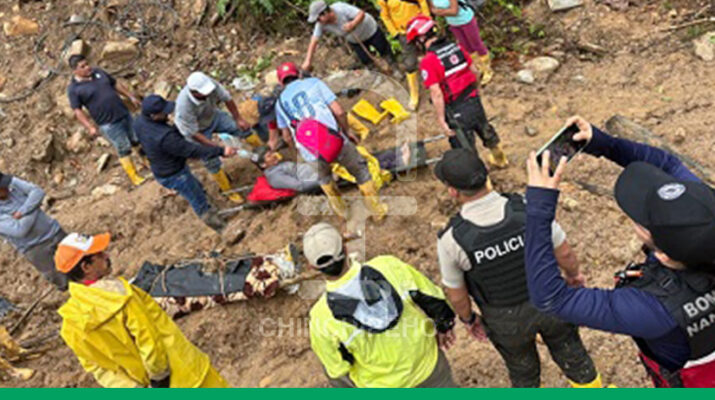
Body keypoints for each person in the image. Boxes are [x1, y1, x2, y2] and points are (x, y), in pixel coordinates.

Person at [524, 116, 715, 387]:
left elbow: (551, 297)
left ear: (663, 256)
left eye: (640, 218)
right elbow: (668, 166)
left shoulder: (654, 310)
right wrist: (605, 144)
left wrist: (538, 205)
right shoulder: (705, 215)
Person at [434, 149, 602, 387]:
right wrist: (574, 277)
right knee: (574, 357)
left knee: (523, 373)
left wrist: (469, 319)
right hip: (551, 300)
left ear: (452, 191)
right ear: (487, 173)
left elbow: (457, 294)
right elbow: (564, 252)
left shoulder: (452, 240)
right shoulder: (527, 206)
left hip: (505, 319)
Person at [55, 232, 230, 388]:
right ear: (86, 267)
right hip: (189, 375)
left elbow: (99, 369)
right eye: (99, 254)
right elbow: (149, 340)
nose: (106, 255)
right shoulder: (120, 296)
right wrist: (159, 378)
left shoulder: (70, 325)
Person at [304, 222, 458, 388]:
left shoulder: (321, 317)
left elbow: (337, 369)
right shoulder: (388, 266)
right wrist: (445, 325)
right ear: (346, 248)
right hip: (428, 370)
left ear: (312, 267)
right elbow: (433, 298)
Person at [271, 62, 388, 221]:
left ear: (280, 82)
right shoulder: (314, 83)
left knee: (325, 180)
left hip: (311, 150)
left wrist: (298, 154)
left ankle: (343, 213)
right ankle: (377, 211)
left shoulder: (279, 105)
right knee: (361, 172)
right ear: (298, 74)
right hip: (334, 140)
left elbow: (286, 137)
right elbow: (339, 112)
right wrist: (346, 132)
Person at [406, 15, 508, 168]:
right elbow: (475, 71)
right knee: (485, 129)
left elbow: (436, 93)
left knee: (465, 147)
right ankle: (500, 159)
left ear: (420, 39)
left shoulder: (428, 61)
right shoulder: (457, 47)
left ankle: (481, 176)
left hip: (455, 109)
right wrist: (475, 91)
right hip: (473, 99)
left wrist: (441, 119)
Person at [134, 95, 236, 232]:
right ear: (154, 116)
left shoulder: (139, 121)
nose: (167, 114)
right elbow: (192, 151)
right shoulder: (164, 137)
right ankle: (222, 229)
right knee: (197, 199)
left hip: (163, 167)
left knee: (197, 189)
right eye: (164, 112)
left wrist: (175, 127)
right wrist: (221, 151)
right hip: (174, 174)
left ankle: (216, 212)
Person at [67, 55, 146, 186]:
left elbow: (115, 84)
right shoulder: (74, 89)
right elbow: (77, 111)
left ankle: (147, 162)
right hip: (108, 123)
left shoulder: (98, 72)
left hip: (123, 113)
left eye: (87, 64)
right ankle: (134, 176)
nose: (88, 67)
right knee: (123, 148)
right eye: (83, 66)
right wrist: (90, 127)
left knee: (137, 139)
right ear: (75, 70)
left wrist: (130, 96)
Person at [174, 71, 251, 204]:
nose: (209, 93)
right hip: (197, 132)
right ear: (195, 92)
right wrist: (218, 149)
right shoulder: (183, 106)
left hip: (213, 117)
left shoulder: (209, 84)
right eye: (204, 93)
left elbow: (227, 98)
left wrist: (238, 118)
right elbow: (194, 133)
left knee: (241, 128)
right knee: (210, 159)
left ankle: (264, 155)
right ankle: (228, 190)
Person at [0, 173, 68, 290]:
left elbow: (38, 192)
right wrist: (34, 205)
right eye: (1, 186)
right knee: (63, 280)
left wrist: (23, 211)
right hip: (36, 249)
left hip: (54, 232)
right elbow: (20, 229)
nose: (6, 187)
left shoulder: (12, 184)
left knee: (82, 264)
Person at [303, 1, 393, 72]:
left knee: (385, 51)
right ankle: (378, 76)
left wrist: (353, 24)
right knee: (366, 60)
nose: (318, 21)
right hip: (356, 41)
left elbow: (361, 14)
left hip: (370, 31)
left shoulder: (341, 8)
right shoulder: (321, 24)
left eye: (318, 18)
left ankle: (395, 70)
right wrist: (308, 61)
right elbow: (314, 41)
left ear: (325, 12)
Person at [376, 0, 431, 110]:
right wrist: (394, 32)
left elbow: (422, 2)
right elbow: (385, 16)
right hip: (403, 32)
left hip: (420, 24)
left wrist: (427, 18)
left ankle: (442, 79)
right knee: (410, 63)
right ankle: (414, 94)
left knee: (431, 51)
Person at [429, 0, 493, 84]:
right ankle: (478, 68)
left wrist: (440, 12)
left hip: (466, 19)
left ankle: (487, 70)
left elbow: (454, 11)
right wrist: (444, 11)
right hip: (453, 23)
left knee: (476, 45)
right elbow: (433, 10)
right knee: (466, 47)